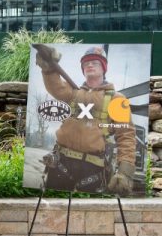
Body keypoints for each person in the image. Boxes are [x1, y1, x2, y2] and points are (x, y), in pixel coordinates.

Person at [35, 45, 136, 195]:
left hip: (93, 167)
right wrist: (48, 69)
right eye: (86, 63)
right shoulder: (73, 93)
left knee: (89, 210)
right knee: (53, 205)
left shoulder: (117, 99)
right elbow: (55, 87)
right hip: (61, 161)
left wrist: (125, 172)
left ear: (103, 68)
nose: (89, 65)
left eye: (95, 62)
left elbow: (126, 136)